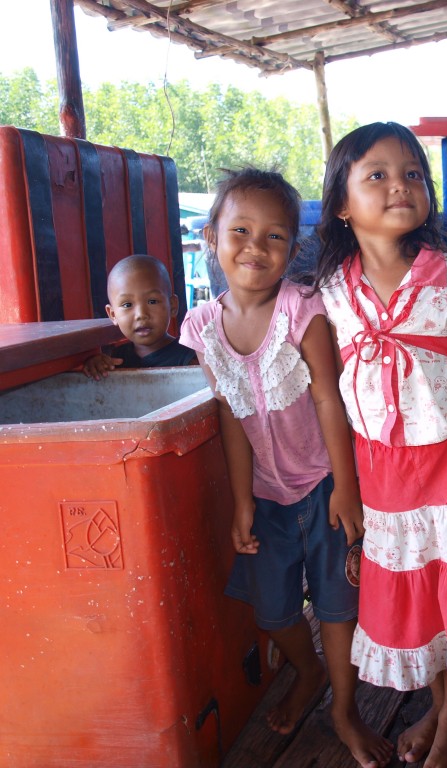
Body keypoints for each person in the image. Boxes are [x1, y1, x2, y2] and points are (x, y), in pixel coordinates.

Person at [314, 122, 447, 768]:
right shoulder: (331, 295)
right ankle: (438, 702)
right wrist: (345, 486)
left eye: (413, 175)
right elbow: (330, 400)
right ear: (341, 205)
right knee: (421, 597)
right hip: (383, 479)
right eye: (377, 174)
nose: (400, 185)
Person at [179, 168, 390, 768]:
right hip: (267, 499)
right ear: (211, 240)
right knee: (273, 612)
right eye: (240, 230)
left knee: (335, 607)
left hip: (324, 486)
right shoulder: (201, 329)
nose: (255, 246)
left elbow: (331, 397)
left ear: (292, 249)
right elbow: (232, 415)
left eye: (275, 236)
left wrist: (345, 488)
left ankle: (344, 712)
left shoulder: (303, 308)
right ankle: (308, 673)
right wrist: (243, 500)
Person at [82, 254, 196, 379]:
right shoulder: (115, 359)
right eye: (127, 304)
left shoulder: (190, 359)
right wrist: (95, 366)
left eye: (152, 301)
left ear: (172, 306)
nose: (141, 314)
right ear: (113, 314)